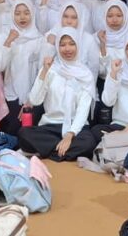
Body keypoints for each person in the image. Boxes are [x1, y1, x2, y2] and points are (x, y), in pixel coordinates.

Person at [18, 28, 99, 161]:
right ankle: (62, 152)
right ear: (57, 47)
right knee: (24, 134)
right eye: (62, 45)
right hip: (50, 125)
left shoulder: (85, 74)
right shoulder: (51, 69)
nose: (67, 49)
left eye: (71, 44)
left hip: (75, 128)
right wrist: (44, 72)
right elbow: (35, 100)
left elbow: (83, 110)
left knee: (89, 143)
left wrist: (69, 135)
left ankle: (46, 152)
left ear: (78, 45)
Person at [0, 0, 50, 135]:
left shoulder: (40, 40)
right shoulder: (3, 37)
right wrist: (8, 42)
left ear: (32, 14)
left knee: (30, 134)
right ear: (12, 15)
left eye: (26, 13)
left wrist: (30, 100)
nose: (22, 17)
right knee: (13, 131)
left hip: (34, 96)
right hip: (11, 94)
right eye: (17, 13)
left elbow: (42, 72)